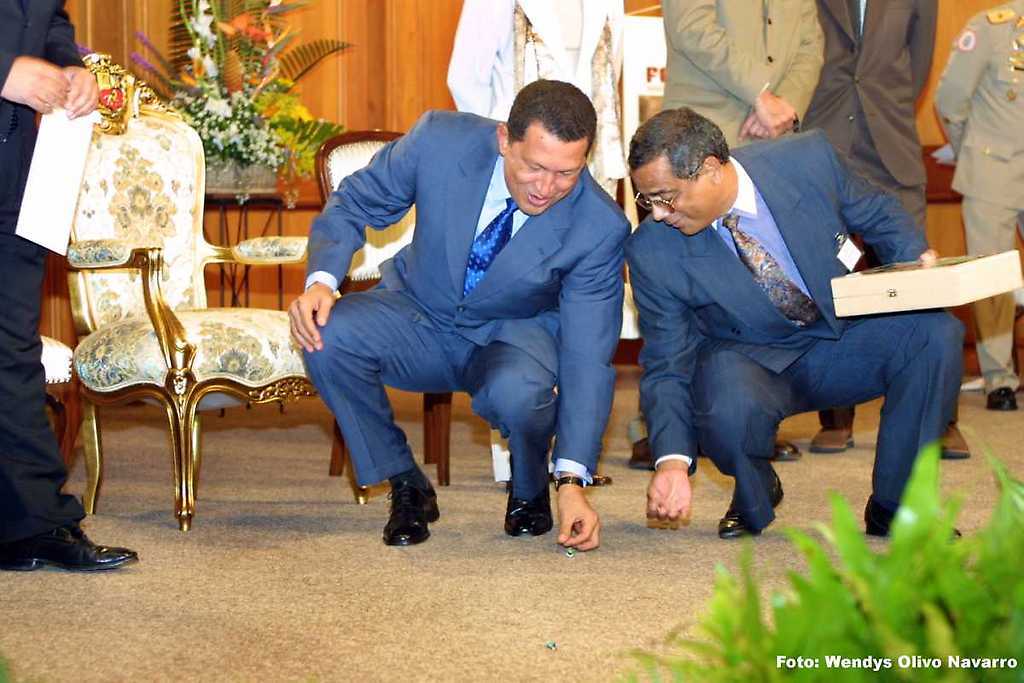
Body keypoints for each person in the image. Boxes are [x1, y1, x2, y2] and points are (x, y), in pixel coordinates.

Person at [291, 80, 629, 550]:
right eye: (534, 167)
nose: (546, 188)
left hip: (510, 339)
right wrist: (321, 282)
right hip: (418, 312)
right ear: (504, 139)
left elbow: (587, 357)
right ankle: (405, 482)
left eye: (566, 173)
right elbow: (356, 201)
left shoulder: (599, 226)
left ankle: (530, 486)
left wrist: (572, 481)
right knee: (325, 335)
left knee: (522, 392)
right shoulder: (439, 140)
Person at [627, 108, 963, 539]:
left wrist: (915, 264)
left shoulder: (807, 158)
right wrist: (672, 461)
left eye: (665, 197)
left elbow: (878, 210)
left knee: (935, 334)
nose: (657, 214)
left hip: (843, 336)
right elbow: (667, 363)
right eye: (647, 200)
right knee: (722, 402)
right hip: (753, 362)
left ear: (710, 169)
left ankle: (897, 506)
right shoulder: (652, 250)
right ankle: (755, 488)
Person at [0, 0, 138, 571]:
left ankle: (30, 525)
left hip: (17, 175)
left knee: (13, 353)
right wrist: (4, 69)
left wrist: (69, 67)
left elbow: (48, 19)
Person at [802, 0, 969, 459]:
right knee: (828, 280)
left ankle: (939, 418)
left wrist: (883, 107)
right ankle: (835, 418)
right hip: (825, 138)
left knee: (921, 280)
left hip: (891, 141)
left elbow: (918, 64)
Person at [936, 1, 1024, 413]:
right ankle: (999, 378)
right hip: (993, 168)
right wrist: (968, 151)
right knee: (993, 276)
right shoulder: (990, 28)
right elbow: (950, 100)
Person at [447, 0, 627, 196]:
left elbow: (610, 71)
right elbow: (466, 80)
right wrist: (497, 145)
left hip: (591, 160)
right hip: (522, 161)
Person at [660, 0, 824, 148]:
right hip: (702, 135)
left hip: (776, 139)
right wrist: (759, 92)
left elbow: (810, 47)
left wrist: (785, 103)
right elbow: (692, 28)